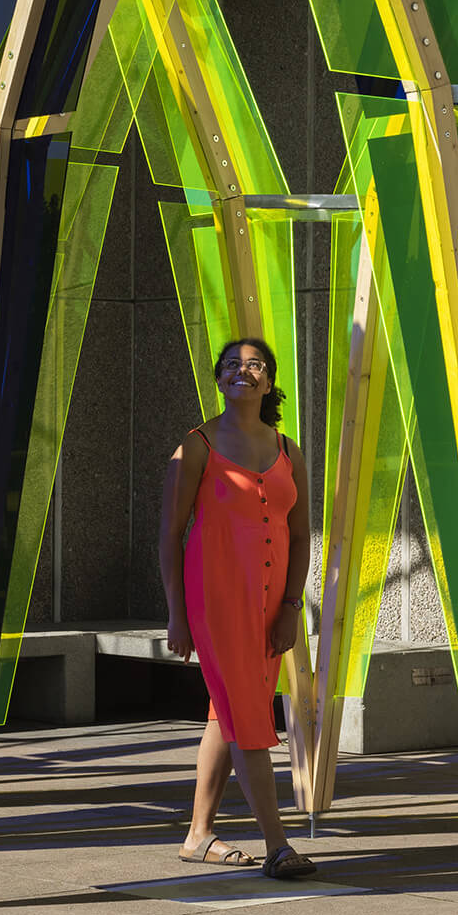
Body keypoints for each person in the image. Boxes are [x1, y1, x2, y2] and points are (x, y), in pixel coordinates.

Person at [159, 337, 317, 880]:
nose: (242, 371)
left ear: (269, 381)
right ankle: (278, 845)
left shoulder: (288, 449)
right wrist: (177, 616)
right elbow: (169, 535)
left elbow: (301, 536)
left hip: (273, 605)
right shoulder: (197, 445)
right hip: (216, 602)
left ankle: (199, 835)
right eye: (231, 364)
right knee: (248, 717)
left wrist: (293, 606)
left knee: (224, 712)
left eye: (254, 365)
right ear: (220, 379)